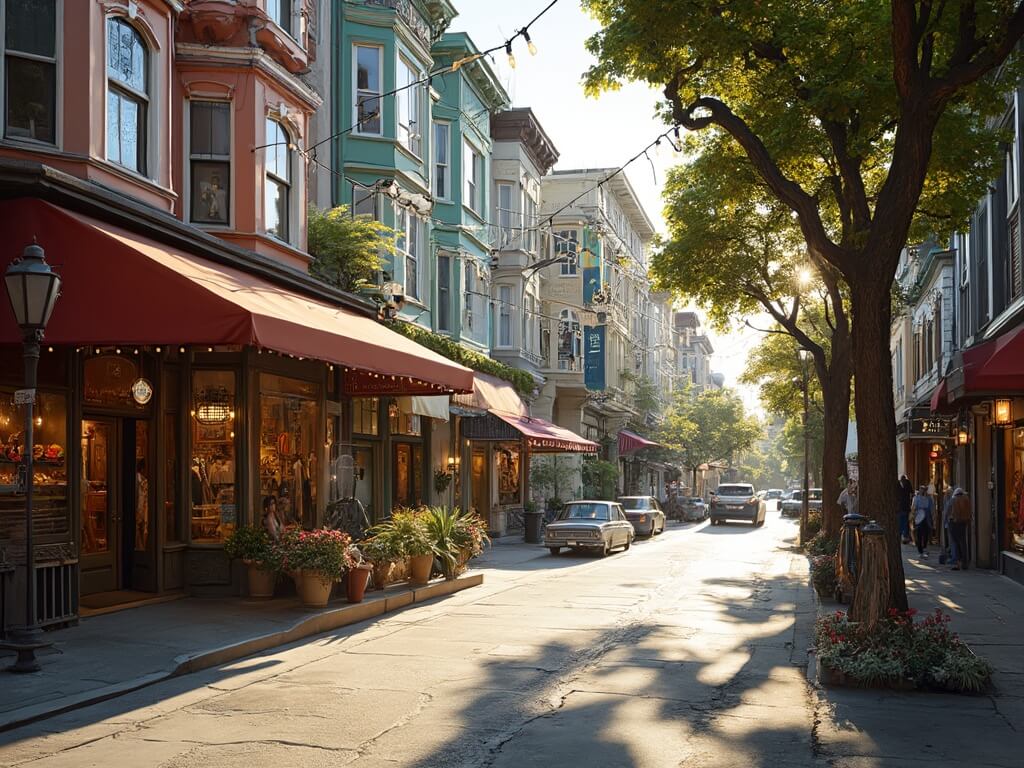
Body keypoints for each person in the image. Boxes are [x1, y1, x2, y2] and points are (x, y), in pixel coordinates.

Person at [949, 488, 972, 571]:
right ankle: (965, 563)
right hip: (964, 522)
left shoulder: (954, 500)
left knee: (956, 543)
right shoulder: (966, 500)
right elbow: (969, 512)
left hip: (955, 523)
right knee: (963, 543)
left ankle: (958, 563)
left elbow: (953, 512)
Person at [912, 485, 934, 559]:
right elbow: (913, 508)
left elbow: (931, 508)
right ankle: (920, 550)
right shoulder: (916, 498)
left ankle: (924, 547)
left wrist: (932, 517)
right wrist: (914, 516)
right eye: (921, 489)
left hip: (926, 517)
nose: (923, 491)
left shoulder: (929, 499)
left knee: (926, 533)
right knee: (919, 534)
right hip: (919, 517)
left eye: (924, 490)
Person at [898, 475, 914, 544]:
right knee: (902, 522)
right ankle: (903, 535)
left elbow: (911, 491)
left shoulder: (907, 484)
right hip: (901, 506)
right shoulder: (899, 484)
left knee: (903, 522)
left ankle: (903, 536)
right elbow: (912, 492)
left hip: (904, 506)